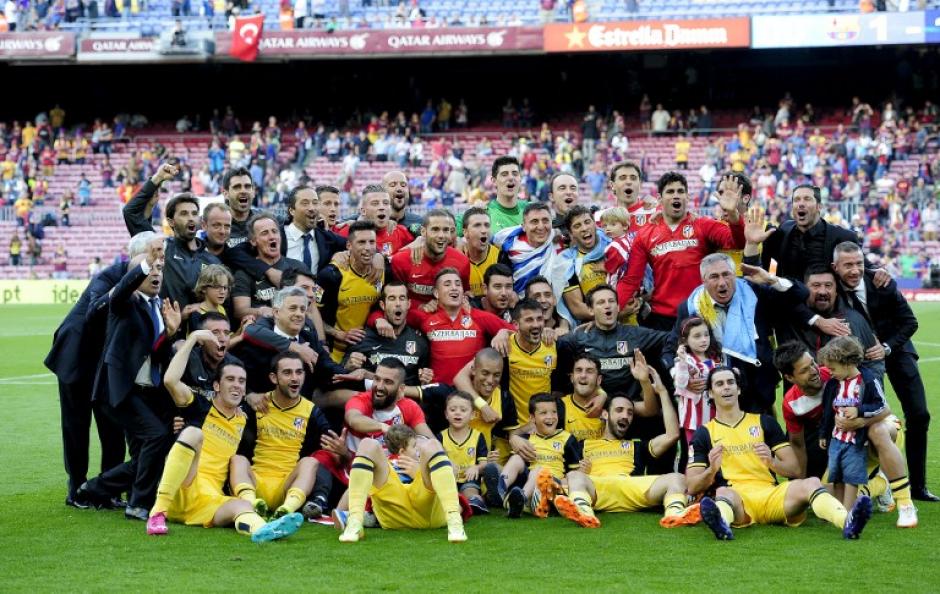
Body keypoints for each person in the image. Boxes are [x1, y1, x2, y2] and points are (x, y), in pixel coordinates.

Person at [687, 367, 873, 541]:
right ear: (710, 393)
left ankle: (847, 522)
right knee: (723, 493)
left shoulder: (763, 422)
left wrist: (771, 462)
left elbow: (794, 469)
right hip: (739, 500)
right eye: (719, 384)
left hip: (771, 495)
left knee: (811, 483)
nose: (726, 387)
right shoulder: (704, 434)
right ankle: (722, 525)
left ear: (739, 389)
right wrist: (711, 470)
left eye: (730, 382)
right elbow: (693, 486)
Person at [45, 233, 161, 508]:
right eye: (155, 253)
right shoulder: (111, 276)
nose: (159, 260)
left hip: (106, 364)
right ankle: (76, 487)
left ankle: (106, 491)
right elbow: (94, 313)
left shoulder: (152, 282)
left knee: (112, 427)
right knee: (76, 426)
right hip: (77, 358)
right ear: (138, 255)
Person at [146, 357, 303, 542]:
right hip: (184, 485)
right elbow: (170, 380)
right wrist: (194, 337)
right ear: (217, 386)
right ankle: (158, 513)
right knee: (193, 434)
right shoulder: (200, 407)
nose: (237, 385)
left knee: (242, 507)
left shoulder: (243, 418)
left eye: (241, 381)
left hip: (209, 498)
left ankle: (264, 530)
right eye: (230, 379)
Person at [76, 249, 183, 520]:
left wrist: (170, 334)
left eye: (160, 269)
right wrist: (143, 265)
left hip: (146, 391)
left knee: (144, 455)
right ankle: (138, 504)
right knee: (157, 436)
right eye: (151, 269)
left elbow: (154, 354)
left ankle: (94, 488)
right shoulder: (126, 301)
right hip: (120, 389)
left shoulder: (160, 306)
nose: (156, 273)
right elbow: (121, 291)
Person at [831, 241, 937, 501]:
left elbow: (910, 322)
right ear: (835, 267)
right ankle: (878, 482)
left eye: (859, 263)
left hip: (896, 352)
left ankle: (919, 486)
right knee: (869, 418)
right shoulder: (830, 286)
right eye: (848, 265)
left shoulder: (881, 282)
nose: (855, 270)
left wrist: (887, 347)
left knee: (919, 414)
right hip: (862, 360)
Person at [774, 341, 915, 524]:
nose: (815, 371)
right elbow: (798, 445)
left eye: (813, 364)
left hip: (880, 430)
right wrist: (802, 485)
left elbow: (885, 409)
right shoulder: (792, 403)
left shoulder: (835, 373)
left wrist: (859, 421)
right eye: (804, 370)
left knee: (877, 431)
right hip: (848, 443)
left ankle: (906, 504)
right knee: (833, 505)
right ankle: (880, 485)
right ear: (790, 378)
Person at [667, 254, 807, 413]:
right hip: (714, 393)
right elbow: (671, 347)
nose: (722, 283)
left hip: (758, 389)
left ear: (734, 275)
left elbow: (801, 294)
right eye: (714, 277)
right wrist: (681, 377)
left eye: (726, 274)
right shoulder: (691, 306)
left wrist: (771, 280)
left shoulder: (753, 289)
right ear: (703, 281)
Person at [554, 371, 691, 529]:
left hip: (632, 489)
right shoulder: (583, 444)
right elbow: (566, 474)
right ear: (605, 414)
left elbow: (672, 435)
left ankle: (675, 515)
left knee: (677, 478)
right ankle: (584, 513)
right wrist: (580, 472)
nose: (625, 416)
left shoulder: (637, 445)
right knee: (574, 476)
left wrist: (662, 392)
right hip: (599, 489)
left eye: (630, 412)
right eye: (619, 410)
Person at [617, 172, 746, 330]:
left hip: (700, 312)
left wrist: (733, 214)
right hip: (662, 317)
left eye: (680, 191)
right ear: (660, 199)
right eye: (670, 192)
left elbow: (738, 242)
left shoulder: (703, 224)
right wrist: (613, 310)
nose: (676, 196)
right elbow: (631, 280)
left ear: (688, 197)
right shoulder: (644, 235)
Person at [230, 352, 332, 521]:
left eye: (299, 372)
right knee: (238, 460)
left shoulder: (310, 411)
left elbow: (331, 441)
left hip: (288, 484)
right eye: (287, 373)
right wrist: (247, 397)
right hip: (255, 481)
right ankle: (252, 504)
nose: (295, 378)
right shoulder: (259, 403)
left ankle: (287, 509)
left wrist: (342, 450)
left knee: (310, 462)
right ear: (273, 377)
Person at [335, 426, 467, 542]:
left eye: (419, 446)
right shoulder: (386, 463)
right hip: (393, 513)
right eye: (415, 446)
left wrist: (419, 472)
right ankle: (355, 523)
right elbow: (356, 488)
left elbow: (457, 498)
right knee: (367, 444)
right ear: (402, 451)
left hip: (428, 511)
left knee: (432, 443)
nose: (419, 449)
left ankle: (454, 522)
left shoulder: (427, 462)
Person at [123, 162, 221, 308]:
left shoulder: (212, 260)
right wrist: (157, 179)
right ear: (171, 221)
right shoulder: (161, 248)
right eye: (183, 213)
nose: (190, 218)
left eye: (194, 213)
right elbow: (131, 212)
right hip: (165, 328)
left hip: (200, 330)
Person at [232, 287, 349, 398]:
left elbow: (326, 365)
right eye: (293, 308)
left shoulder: (308, 332)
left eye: (302, 309)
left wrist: (360, 379)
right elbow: (239, 374)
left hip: (304, 406)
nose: (299, 314)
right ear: (276, 312)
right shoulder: (259, 337)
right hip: (264, 409)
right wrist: (249, 395)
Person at [816, 338, 878, 511]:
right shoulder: (833, 384)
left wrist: (859, 411)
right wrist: (823, 433)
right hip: (836, 440)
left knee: (851, 477)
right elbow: (828, 412)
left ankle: (849, 513)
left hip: (856, 441)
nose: (830, 372)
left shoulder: (867, 380)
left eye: (833, 368)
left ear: (848, 363)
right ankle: (839, 512)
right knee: (836, 476)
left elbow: (880, 405)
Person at [498, 393, 581, 519]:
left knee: (539, 471)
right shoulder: (526, 439)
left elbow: (574, 471)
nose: (550, 417)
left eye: (554, 412)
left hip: (553, 484)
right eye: (543, 413)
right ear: (532, 418)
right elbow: (519, 466)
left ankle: (522, 500)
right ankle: (501, 491)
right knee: (516, 458)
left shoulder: (567, 439)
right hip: (529, 481)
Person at [342, 281, 431, 388]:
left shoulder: (420, 342)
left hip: (405, 401)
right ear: (382, 305)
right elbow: (342, 373)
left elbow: (422, 382)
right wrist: (347, 366)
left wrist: (425, 380)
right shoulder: (362, 338)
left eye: (402, 298)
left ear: (408, 304)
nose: (398, 303)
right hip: (370, 399)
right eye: (392, 298)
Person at [318, 220, 384, 362]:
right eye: (361, 242)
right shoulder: (330, 275)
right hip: (336, 352)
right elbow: (311, 313)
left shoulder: (382, 271)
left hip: (370, 352)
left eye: (372, 242)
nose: (368, 248)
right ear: (349, 245)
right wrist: (338, 334)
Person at [343, 358, 435, 455]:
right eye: (377, 379)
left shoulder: (409, 406)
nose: (379, 387)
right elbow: (354, 420)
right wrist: (385, 428)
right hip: (360, 466)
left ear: (401, 388)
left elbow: (432, 443)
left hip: (397, 467)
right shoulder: (360, 400)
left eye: (388, 382)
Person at [232, 213, 306, 321]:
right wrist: (260, 311)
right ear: (253, 241)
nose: (272, 236)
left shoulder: (299, 267)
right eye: (264, 233)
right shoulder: (243, 274)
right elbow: (239, 312)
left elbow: (312, 308)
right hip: (263, 332)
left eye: (275, 231)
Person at [390, 209, 470, 307]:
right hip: (411, 319)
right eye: (435, 229)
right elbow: (394, 299)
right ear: (423, 232)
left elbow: (464, 295)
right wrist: (419, 306)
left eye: (446, 230)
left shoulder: (462, 262)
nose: (441, 235)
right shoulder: (401, 261)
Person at [437, 391, 496, 515]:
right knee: (444, 495)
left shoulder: (477, 436)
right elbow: (436, 461)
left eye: (463, 410)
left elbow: (484, 463)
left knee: (470, 491)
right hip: (448, 481)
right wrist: (447, 464)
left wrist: (476, 467)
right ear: (446, 414)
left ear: (473, 415)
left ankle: (475, 503)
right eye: (453, 410)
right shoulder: (441, 437)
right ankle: (456, 504)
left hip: (469, 481)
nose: (457, 413)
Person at [551, 205, 610, 325]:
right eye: (577, 226)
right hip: (593, 327)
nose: (584, 228)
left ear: (595, 224)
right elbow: (577, 308)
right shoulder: (565, 262)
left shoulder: (614, 245)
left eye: (587, 222)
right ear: (571, 233)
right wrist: (615, 314)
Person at [671, 317, 721, 446]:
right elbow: (681, 384)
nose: (704, 339)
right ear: (684, 341)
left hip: (717, 416)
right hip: (693, 420)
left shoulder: (716, 359)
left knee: (717, 454)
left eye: (706, 335)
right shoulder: (685, 360)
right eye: (697, 336)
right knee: (696, 456)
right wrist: (682, 361)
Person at [494, 202, 556, 296]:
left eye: (545, 221)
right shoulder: (509, 243)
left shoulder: (560, 244)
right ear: (523, 226)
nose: (541, 227)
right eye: (534, 221)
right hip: (519, 304)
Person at [337, 184, 413, 257]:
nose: (382, 207)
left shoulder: (401, 232)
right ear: (363, 211)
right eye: (375, 203)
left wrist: (419, 241)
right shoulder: (347, 233)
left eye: (386, 203)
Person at [559, 355, 605, 441]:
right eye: (579, 370)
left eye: (589, 371)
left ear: (599, 380)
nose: (583, 375)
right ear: (572, 377)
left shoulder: (610, 406)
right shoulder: (558, 406)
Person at [482, 155, 528, 235]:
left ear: (520, 178)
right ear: (494, 181)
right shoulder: (483, 212)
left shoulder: (532, 210)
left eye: (515, 174)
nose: (511, 178)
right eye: (504, 174)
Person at [462, 207, 500, 298]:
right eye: (477, 225)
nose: (484, 230)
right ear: (465, 232)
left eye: (487, 225)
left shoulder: (500, 256)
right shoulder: (456, 258)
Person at [183, 264, 232, 335]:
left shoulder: (221, 309)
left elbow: (226, 338)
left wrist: (241, 329)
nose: (222, 292)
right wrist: (241, 336)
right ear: (203, 288)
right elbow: (211, 344)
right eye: (217, 287)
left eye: (225, 287)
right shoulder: (196, 313)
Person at [221, 167, 261, 248]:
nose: (243, 191)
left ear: (253, 192)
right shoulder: (214, 223)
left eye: (247, 186)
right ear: (226, 194)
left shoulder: (264, 221)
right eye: (237, 187)